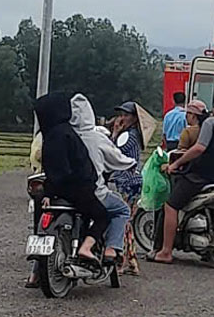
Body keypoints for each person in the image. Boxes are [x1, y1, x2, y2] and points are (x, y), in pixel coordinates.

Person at [150, 88, 214, 264]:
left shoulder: (211, 123)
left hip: (203, 176)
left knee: (171, 205)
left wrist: (176, 164)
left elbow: (199, 148)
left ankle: (165, 252)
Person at [34, 92, 108, 264]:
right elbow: (67, 170)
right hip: (76, 189)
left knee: (39, 222)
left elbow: (53, 170)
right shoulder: (67, 133)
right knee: (102, 216)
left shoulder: (49, 135)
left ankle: (36, 272)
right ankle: (86, 247)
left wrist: (48, 192)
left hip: (56, 190)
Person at [70, 94, 137, 267]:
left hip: (63, 190)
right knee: (121, 210)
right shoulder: (96, 137)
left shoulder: (64, 135)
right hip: (91, 191)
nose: (122, 117)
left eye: (125, 114)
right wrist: (131, 163)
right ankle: (111, 249)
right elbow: (116, 156)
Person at [111, 101, 146, 275]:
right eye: (121, 114)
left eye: (126, 115)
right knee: (128, 223)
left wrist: (115, 133)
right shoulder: (136, 135)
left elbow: (113, 151)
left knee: (123, 221)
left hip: (126, 182)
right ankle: (131, 260)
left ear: (134, 118)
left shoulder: (127, 136)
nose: (122, 118)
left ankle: (125, 261)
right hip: (134, 181)